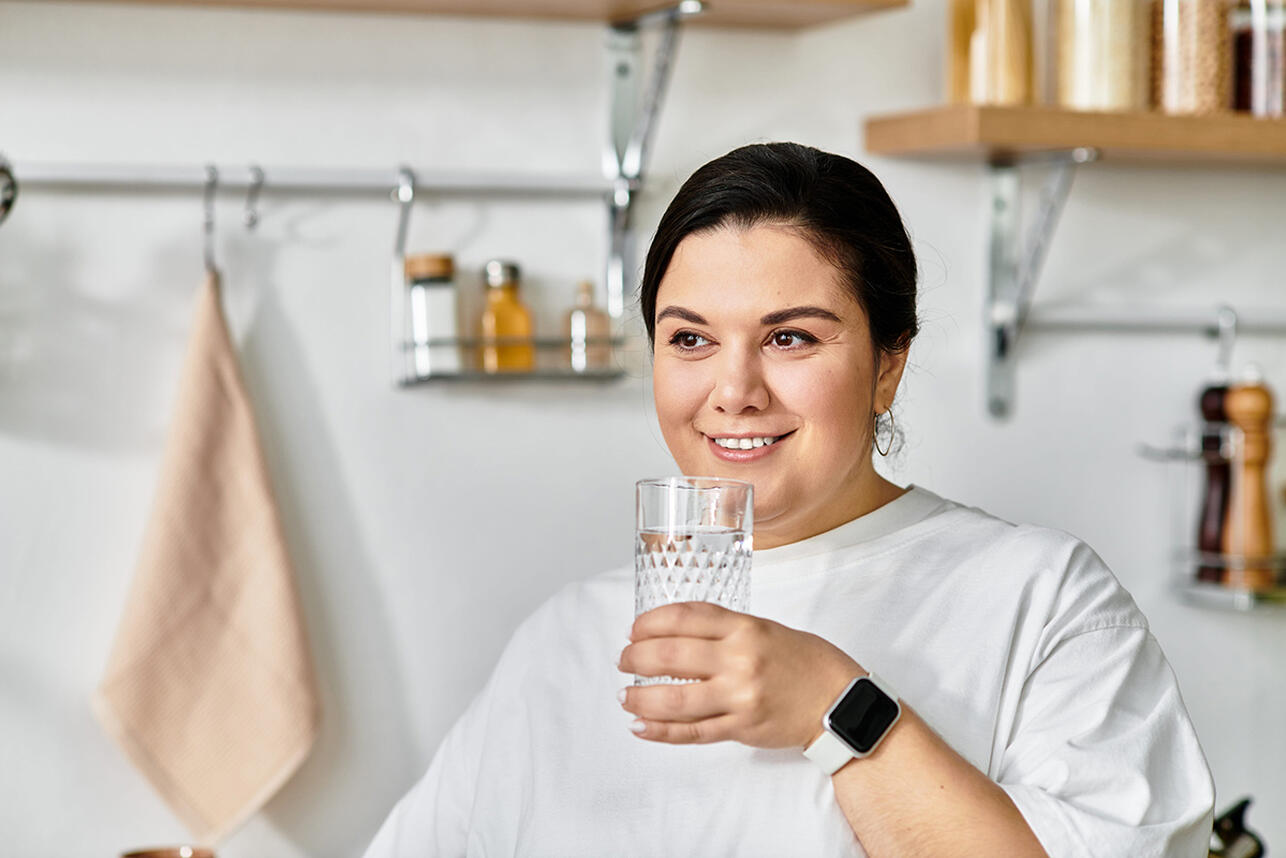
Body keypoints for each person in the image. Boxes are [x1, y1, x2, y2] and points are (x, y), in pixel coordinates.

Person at [363, 143, 1215, 857]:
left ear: (889, 364)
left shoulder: (1042, 598)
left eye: (789, 337)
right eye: (690, 338)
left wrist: (836, 708)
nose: (733, 391)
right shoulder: (565, 640)